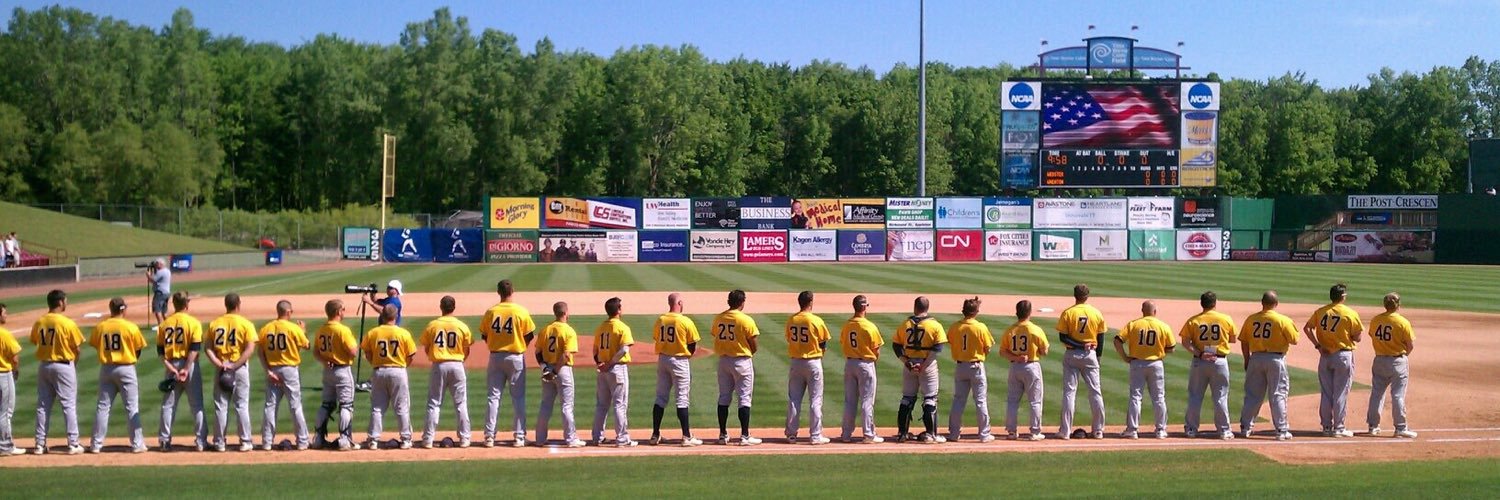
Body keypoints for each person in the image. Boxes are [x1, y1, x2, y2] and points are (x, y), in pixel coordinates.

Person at [86, 298, 148, 453]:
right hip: (126, 368)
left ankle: (96, 444)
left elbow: (95, 344)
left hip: (106, 368)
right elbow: (138, 349)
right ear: (123, 309)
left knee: (103, 407)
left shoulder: (101, 326)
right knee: (132, 407)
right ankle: (137, 444)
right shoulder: (130, 327)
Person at [479, 279, 536, 448]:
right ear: (513, 291)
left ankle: (489, 436)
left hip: (496, 357)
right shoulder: (520, 311)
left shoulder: (491, 312)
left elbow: (484, 335)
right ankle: (519, 436)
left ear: (498, 292)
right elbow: (530, 335)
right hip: (516, 356)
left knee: (493, 397)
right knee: (518, 397)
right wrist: (519, 346)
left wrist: (497, 343)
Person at [1239, 291, 1300, 441]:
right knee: (1278, 394)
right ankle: (1281, 429)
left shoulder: (1251, 319)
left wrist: (1247, 359)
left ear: (1262, 303)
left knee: (1253, 394)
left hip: (1256, 358)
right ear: (1276, 304)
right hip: (1275, 359)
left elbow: (1244, 341)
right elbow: (1294, 340)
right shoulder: (1282, 320)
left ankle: (1246, 427)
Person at [1305, 283, 1364, 438]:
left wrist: (1318, 345)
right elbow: (1358, 337)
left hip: (1325, 355)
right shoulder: (1349, 313)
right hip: (1343, 355)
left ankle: (1326, 427)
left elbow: (1307, 328)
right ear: (1343, 297)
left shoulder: (1321, 311)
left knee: (1326, 392)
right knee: (1341, 392)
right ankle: (1339, 427)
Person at [31, 289, 85, 455]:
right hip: (63, 366)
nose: (66, 303)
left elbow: (35, 341)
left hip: (44, 366)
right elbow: (77, 348)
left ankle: (39, 444)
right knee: (68, 405)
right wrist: (72, 365)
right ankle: (73, 443)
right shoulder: (67, 323)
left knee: (42, 406)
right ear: (60, 302)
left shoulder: (40, 321)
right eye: (65, 301)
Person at [1114, 301, 1176, 439]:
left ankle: (1132, 430)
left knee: (1136, 397)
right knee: (1159, 397)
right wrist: (1160, 350)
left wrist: (1125, 357)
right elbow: (1171, 348)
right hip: (1156, 364)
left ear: (1142, 310)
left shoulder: (1133, 324)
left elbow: (1117, 340)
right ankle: (1161, 430)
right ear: (1155, 311)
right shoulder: (1163, 325)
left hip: (1137, 363)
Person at [1180, 291, 1238, 440]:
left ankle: (1191, 429)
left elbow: (1185, 342)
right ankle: (1224, 430)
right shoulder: (1225, 319)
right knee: (1220, 397)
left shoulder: (1193, 321)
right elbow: (1232, 339)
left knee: (1195, 396)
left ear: (1202, 303)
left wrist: (1200, 353)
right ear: (1215, 303)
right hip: (1219, 361)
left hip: (1200, 361)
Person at [419, 296, 474, 448]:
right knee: (461, 403)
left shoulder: (433, 325)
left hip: (439, 365)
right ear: (454, 307)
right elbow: (466, 349)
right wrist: (459, 360)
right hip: (457, 364)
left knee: (434, 403)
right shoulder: (461, 326)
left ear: (441, 307)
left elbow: (426, 347)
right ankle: (465, 439)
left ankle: (428, 439)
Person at [207, 294, 258, 452]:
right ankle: (245, 441)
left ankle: (219, 442)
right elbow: (250, 348)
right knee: (241, 405)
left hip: (222, 368)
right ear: (238, 305)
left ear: (226, 305)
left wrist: (220, 364)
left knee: (220, 406)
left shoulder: (215, 324)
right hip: (239, 367)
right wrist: (235, 365)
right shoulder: (246, 324)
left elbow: (208, 348)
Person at [257, 300, 310, 451]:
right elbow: (307, 345)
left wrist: (268, 370)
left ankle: (267, 442)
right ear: (287, 312)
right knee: (295, 405)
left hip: (272, 369)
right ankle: (302, 441)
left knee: (270, 406)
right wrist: (302, 330)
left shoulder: (266, 328)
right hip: (289, 370)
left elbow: (260, 351)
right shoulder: (293, 328)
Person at [157, 292, 207, 452]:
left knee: (168, 405)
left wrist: (173, 370)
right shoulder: (194, 323)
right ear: (187, 304)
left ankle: (164, 441)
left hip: (171, 365)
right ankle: (201, 442)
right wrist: (185, 369)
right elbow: (194, 349)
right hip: (189, 365)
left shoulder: (164, 324)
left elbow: (160, 353)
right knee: (196, 404)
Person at [894, 296, 948, 444]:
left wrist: (907, 362)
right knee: (930, 399)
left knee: (907, 398)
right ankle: (931, 434)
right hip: (927, 366)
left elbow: (896, 346)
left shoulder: (905, 324)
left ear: (915, 307)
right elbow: (937, 348)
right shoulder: (935, 325)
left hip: (909, 364)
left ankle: (902, 433)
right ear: (927, 308)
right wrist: (923, 365)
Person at [649, 293, 701, 446]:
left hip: (663, 360)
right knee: (682, 399)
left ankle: (655, 434)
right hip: (679, 361)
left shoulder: (661, 319)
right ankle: (686, 436)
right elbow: (692, 345)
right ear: (679, 302)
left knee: (660, 397)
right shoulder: (685, 321)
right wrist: (686, 356)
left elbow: (656, 337)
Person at [361, 304, 416, 450]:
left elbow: (367, 352)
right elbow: (411, 355)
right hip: (398, 371)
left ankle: (373, 439)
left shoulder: (373, 332)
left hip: (379, 371)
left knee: (377, 407)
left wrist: (375, 363)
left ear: (382, 316)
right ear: (396, 316)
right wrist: (403, 366)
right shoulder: (403, 333)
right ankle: (405, 439)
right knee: (401, 407)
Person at [1056, 284, 1107, 440]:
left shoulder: (1068, 313)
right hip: (1090, 354)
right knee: (1095, 392)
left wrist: (1078, 345)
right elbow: (1101, 338)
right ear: (1087, 296)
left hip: (1072, 355)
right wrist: (1097, 356)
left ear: (1075, 295)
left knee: (1069, 393)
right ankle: (1098, 430)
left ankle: (1065, 431)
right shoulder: (1096, 313)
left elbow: (1063, 337)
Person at [713, 290, 761, 446]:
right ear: (742, 302)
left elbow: (715, 334)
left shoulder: (719, 318)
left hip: (724, 361)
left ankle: (722, 434)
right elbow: (754, 344)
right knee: (744, 398)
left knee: (724, 397)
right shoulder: (746, 320)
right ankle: (745, 436)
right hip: (742, 361)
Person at [1367, 293, 1418, 438]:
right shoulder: (1402, 322)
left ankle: (1373, 426)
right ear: (1398, 305)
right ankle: (1400, 427)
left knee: (1377, 393)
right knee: (1398, 395)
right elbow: (1410, 345)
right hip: (1397, 360)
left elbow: (1372, 335)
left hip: (1379, 359)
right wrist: (1402, 356)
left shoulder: (1376, 320)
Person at [312, 300, 359, 451]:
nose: (344, 312)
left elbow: (316, 352)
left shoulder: (321, 329)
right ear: (338, 312)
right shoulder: (342, 330)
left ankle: (318, 438)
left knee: (326, 404)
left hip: (328, 371)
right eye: (343, 309)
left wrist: (326, 361)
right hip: (343, 370)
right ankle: (345, 440)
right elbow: (353, 351)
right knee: (346, 405)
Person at [785, 291, 831, 445]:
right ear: (810, 302)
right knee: (815, 400)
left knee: (794, 399)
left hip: (796, 362)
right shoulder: (816, 320)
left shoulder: (792, 320)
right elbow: (823, 342)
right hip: (813, 361)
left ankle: (791, 434)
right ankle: (816, 435)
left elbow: (788, 339)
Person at [535, 302, 583, 448]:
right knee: (567, 406)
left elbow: (538, 352)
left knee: (546, 405)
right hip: (562, 370)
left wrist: (545, 369)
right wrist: (555, 371)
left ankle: (540, 439)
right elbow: (566, 355)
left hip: (548, 368)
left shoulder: (546, 329)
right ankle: (570, 438)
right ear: (566, 313)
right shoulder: (568, 331)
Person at [1001, 300, 1048, 441]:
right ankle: (1035, 432)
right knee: (1035, 401)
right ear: (1030, 312)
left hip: (1015, 366)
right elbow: (1044, 351)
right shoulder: (1035, 329)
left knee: (1012, 401)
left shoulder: (1010, 330)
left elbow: (1003, 352)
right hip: (1032, 367)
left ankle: (1011, 431)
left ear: (1017, 312)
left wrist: (1016, 357)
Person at [591, 297, 636, 447]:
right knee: (619, 404)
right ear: (618, 310)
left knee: (601, 405)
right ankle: (622, 438)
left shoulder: (600, 328)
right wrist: (610, 363)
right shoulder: (623, 327)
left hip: (602, 369)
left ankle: (597, 437)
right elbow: (624, 349)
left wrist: (600, 364)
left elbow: (595, 351)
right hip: (616, 368)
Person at [948, 297, 994, 443]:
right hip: (976, 366)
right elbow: (988, 347)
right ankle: (984, 434)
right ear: (976, 311)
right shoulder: (980, 327)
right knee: (980, 401)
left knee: (958, 400)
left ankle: (954, 433)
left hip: (961, 366)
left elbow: (950, 340)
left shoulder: (955, 326)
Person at [839, 295, 883, 443]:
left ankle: (846, 434)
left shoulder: (847, 325)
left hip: (850, 363)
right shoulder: (869, 326)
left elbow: (843, 342)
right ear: (864, 307)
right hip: (865, 364)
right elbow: (876, 349)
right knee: (867, 400)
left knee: (850, 400)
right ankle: (869, 434)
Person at [0, 303, 22, 456]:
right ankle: (5, 445)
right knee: (5, 412)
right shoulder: (4, 334)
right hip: (3, 375)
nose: (6, 315)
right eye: (4, 313)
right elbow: (14, 358)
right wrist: (15, 371)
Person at [148, 259, 171, 328]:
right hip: (166, 292)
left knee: (157, 309)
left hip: (160, 293)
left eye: (157, 264)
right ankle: (168, 325)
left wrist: (148, 275)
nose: (155, 265)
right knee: (164, 311)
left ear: (160, 264)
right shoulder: (167, 271)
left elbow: (152, 280)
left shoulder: (160, 272)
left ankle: (160, 325)